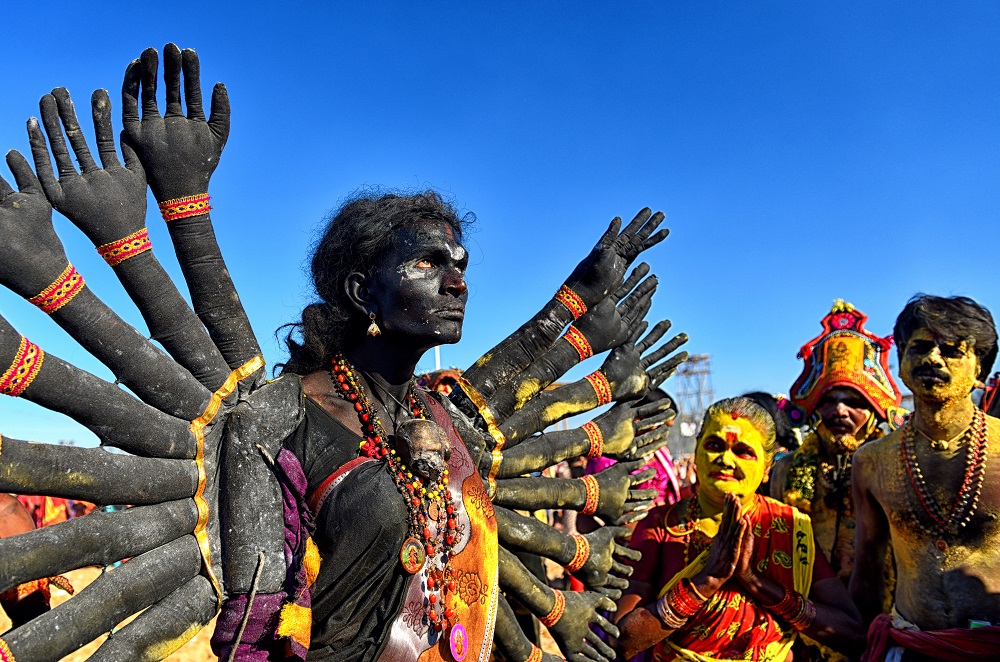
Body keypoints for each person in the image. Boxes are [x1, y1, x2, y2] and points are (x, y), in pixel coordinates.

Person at [616, 396, 863, 662]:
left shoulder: (791, 527)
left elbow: (852, 634)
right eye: (713, 445)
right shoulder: (661, 525)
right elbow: (624, 640)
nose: (725, 459)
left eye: (743, 451)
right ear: (697, 452)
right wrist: (706, 581)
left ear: (767, 468)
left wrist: (757, 583)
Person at [850, 294, 1000, 660]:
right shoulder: (871, 461)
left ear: (978, 369)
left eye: (950, 349)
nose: (933, 358)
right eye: (920, 347)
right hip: (910, 645)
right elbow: (867, 568)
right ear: (901, 362)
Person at [772, 301, 903, 586]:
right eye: (829, 400)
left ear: (873, 412)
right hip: (807, 603)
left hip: (881, 608)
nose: (839, 411)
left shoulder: (899, 469)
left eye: (854, 402)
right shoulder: (787, 470)